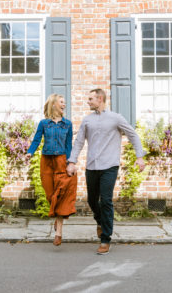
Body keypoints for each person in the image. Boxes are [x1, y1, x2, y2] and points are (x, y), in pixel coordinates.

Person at [67, 88, 145, 255]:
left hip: (110, 166)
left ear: (100, 98)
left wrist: (139, 156)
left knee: (106, 201)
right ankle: (101, 222)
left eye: (90, 99)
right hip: (92, 166)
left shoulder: (116, 118)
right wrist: (72, 161)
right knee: (92, 200)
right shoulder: (87, 120)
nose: (88, 102)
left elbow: (133, 135)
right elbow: (79, 142)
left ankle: (105, 239)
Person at [27, 94, 77, 246]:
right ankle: (57, 217)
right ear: (54, 104)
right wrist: (30, 151)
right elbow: (36, 139)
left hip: (62, 161)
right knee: (50, 194)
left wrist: (70, 162)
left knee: (61, 194)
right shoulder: (44, 123)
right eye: (62, 102)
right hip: (46, 161)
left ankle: (59, 233)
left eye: (65, 102)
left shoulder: (67, 124)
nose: (64, 105)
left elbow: (69, 145)